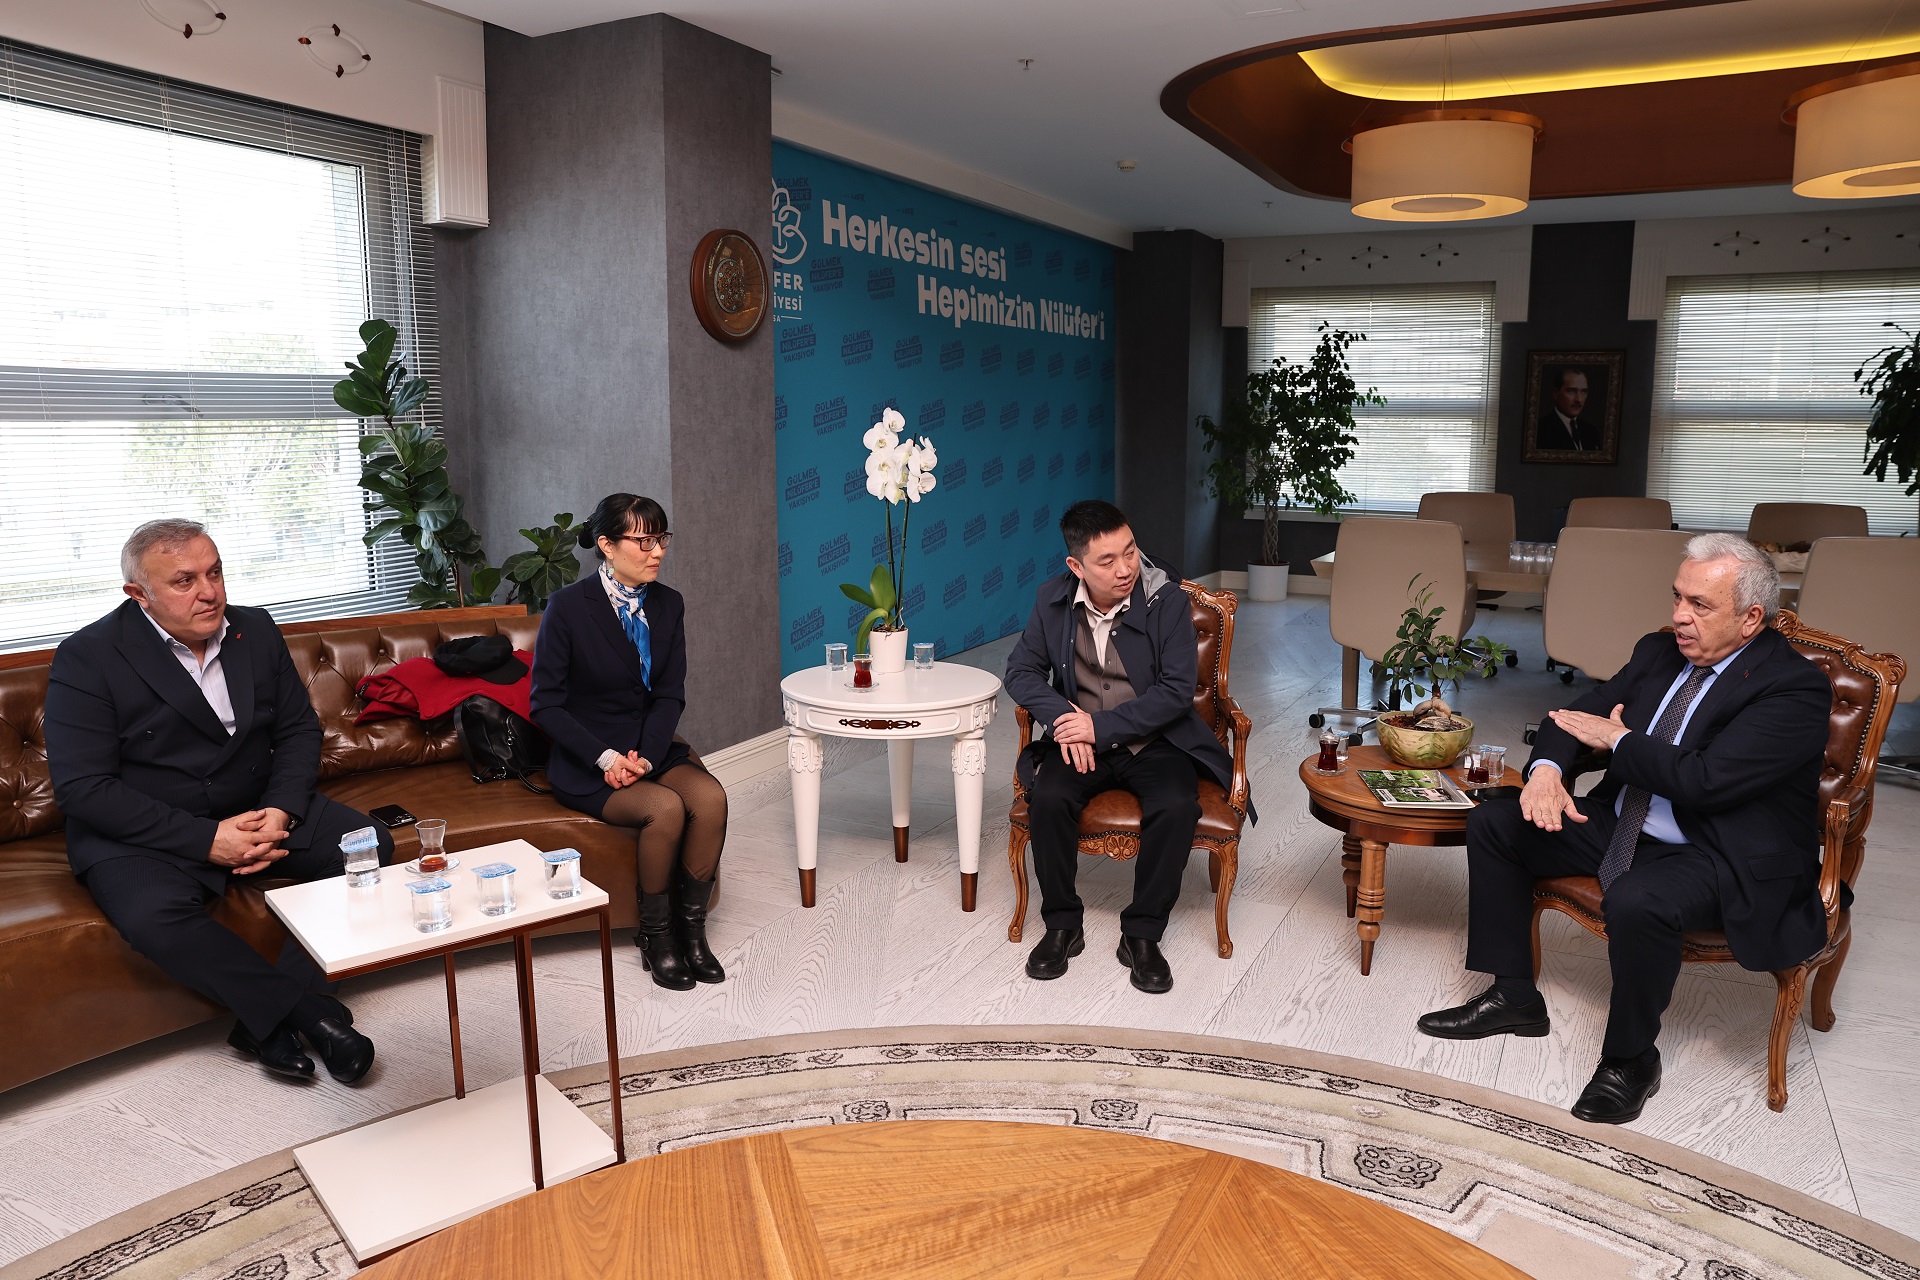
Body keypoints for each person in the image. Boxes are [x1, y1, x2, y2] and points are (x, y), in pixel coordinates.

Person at [1416, 533, 1832, 1124]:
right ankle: (1514, 996)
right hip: (1626, 820)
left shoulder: (1793, 688)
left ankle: (1630, 1059)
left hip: (1717, 850)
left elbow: (1705, 782)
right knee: (1495, 821)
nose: (1679, 617)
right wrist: (1546, 771)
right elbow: (1571, 717)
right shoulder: (1658, 652)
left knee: (1640, 899)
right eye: (1677, 597)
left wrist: (1617, 738)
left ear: (1750, 618)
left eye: (1700, 605)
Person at [44, 520, 386, 1084]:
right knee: (153, 918)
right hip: (147, 824)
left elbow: (298, 730)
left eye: (215, 572)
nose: (209, 592)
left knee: (368, 846)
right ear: (139, 594)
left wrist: (281, 810)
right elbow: (84, 789)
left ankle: (261, 1021)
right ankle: (310, 1015)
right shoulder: (88, 656)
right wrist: (208, 840)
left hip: (253, 802)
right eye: (184, 581)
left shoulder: (255, 627)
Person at [1004, 499, 1252, 994]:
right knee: (1049, 798)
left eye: (1130, 551)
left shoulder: (1166, 600)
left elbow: (1175, 692)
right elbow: (1021, 672)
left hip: (1155, 741)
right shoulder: (1051, 600)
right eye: (1107, 560)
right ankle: (1062, 925)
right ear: (1077, 566)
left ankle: (1142, 933)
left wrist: (1097, 727)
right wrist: (1065, 720)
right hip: (1081, 743)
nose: (1125, 568)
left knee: (1176, 805)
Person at [530, 493, 729, 991]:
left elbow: (669, 694)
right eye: (644, 541)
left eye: (661, 539)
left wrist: (647, 757)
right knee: (665, 809)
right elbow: (546, 706)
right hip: (588, 757)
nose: (657, 551)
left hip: (650, 747)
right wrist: (606, 758)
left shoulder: (669, 604)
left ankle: (691, 931)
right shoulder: (567, 608)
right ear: (607, 545)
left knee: (711, 799)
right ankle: (656, 937)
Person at [1535, 367, 1605, 453]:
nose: (1579, 399)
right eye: (1571, 391)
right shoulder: (1540, 431)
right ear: (1555, 394)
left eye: (1583, 392)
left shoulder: (1591, 432)